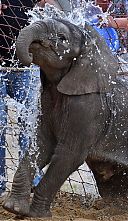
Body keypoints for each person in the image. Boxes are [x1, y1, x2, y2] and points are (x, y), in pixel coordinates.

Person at [0, 0, 57, 195]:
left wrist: (48, 11)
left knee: (31, 124)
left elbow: (52, 5)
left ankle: (31, 180)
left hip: (27, 67)